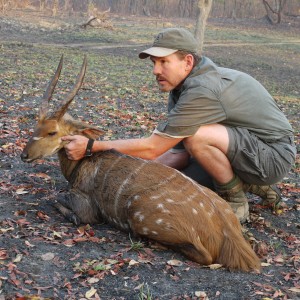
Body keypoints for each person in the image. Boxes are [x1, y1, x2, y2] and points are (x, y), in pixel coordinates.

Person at [62, 28, 296, 223]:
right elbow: (175, 154)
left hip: (273, 156)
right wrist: (137, 175)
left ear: (187, 61)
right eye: (154, 62)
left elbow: (153, 147)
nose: (155, 70)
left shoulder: (202, 90)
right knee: (178, 183)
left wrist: (92, 146)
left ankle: (236, 201)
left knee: (198, 138)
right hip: (245, 149)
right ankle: (248, 184)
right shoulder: (181, 87)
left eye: (164, 62)